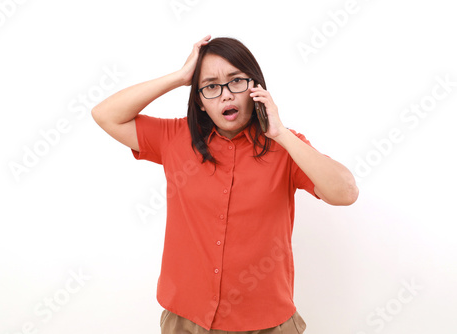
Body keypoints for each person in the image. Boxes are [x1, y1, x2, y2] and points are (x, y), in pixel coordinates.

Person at [91, 35, 359, 334]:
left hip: (267, 322)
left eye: (236, 81)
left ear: (255, 89)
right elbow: (105, 115)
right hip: (187, 319)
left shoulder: (286, 146)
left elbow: (345, 193)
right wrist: (180, 77)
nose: (226, 95)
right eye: (211, 87)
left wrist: (281, 133)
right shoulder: (175, 137)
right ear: (201, 103)